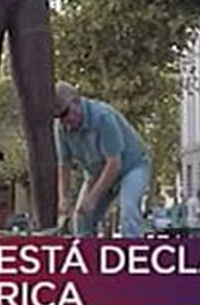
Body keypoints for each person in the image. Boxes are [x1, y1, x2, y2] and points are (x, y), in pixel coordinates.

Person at [54, 82, 152, 237]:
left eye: (65, 113)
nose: (64, 120)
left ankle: (134, 256)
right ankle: (88, 255)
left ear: (76, 102)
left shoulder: (103, 117)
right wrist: (63, 198)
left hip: (131, 167)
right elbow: (63, 165)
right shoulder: (62, 128)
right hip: (96, 172)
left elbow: (114, 164)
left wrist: (92, 198)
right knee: (81, 217)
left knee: (128, 213)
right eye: (58, 116)